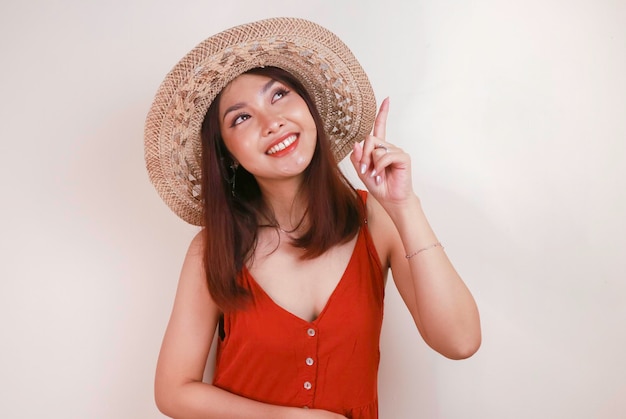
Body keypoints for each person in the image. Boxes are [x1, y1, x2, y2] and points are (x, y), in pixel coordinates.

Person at [144, 17, 481, 419]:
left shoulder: (376, 220)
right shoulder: (213, 247)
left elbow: (460, 342)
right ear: (227, 155)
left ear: (310, 107)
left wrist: (404, 206)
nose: (272, 123)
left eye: (280, 95)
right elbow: (173, 391)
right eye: (241, 118)